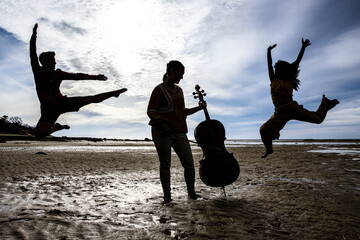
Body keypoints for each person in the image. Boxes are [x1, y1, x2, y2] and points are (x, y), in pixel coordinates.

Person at [30, 23, 127, 138]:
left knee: (91, 99)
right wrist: (34, 34)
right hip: (48, 109)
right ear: (45, 62)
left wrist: (95, 77)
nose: (55, 62)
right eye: (52, 60)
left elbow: (77, 76)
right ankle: (56, 128)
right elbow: (32, 52)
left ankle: (113, 93)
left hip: (62, 103)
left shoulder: (59, 74)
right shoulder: (38, 71)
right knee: (39, 135)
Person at [260, 38, 339, 158]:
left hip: (292, 108)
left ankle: (325, 105)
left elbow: (297, 62)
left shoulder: (289, 79)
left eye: (278, 69)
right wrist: (268, 51)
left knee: (317, 119)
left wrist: (303, 47)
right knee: (263, 130)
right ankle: (269, 149)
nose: (275, 70)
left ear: (283, 70)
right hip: (279, 112)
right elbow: (269, 65)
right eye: (275, 69)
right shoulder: (273, 79)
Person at [147, 60, 206, 204]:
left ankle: (191, 192)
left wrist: (200, 108)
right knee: (165, 164)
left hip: (179, 131)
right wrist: (162, 123)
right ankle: (167, 196)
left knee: (189, 163)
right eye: (180, 73)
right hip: (161, 132)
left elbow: (182, 113)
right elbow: (151, 111)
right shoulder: (158, 89)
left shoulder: (179, 91)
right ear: (171, 71)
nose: (182, 77)